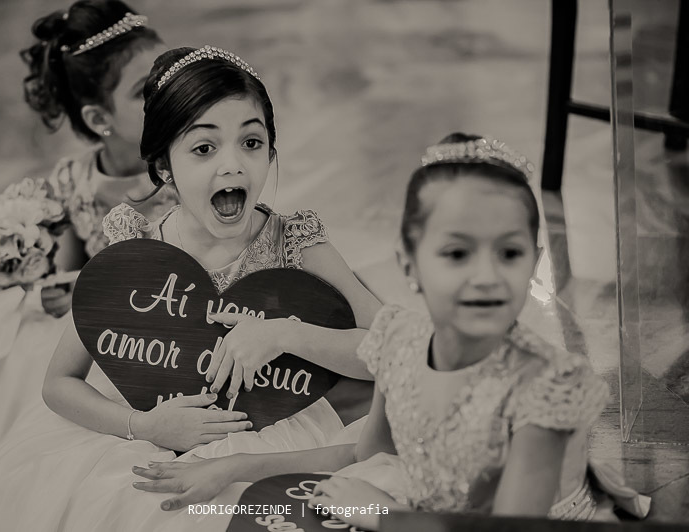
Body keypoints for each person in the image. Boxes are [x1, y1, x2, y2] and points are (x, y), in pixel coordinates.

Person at [0, 45, 381, 532]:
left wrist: (282, 335)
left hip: (273, 441)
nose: (233, 166)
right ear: (165, 166)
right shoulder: (137, 251)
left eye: (251, 143)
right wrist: (145, 427)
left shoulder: (296, 244)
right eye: (203, 148)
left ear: (272, 151)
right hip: (136, 440)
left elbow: (392, 350)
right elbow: (58, 384)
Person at [131, 134, 651, 530]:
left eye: (509, 252)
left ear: (535, 262)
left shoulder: (548, 389)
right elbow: (369, 458)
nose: (485, 275)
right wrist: (237, 467)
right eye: (456, 253)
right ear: (410, 264)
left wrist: (386, 516)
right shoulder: (401, 342)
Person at [0, 3, 177, 531]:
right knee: (16, 339)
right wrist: (48, 279)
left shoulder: (181, 170)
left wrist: (92, 287)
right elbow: (70, 270)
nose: (168, 95)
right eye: (146, 90)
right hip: (90, 327)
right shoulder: (74, 179)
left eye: (171, 75)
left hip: (151, 324)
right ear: (99, 120)